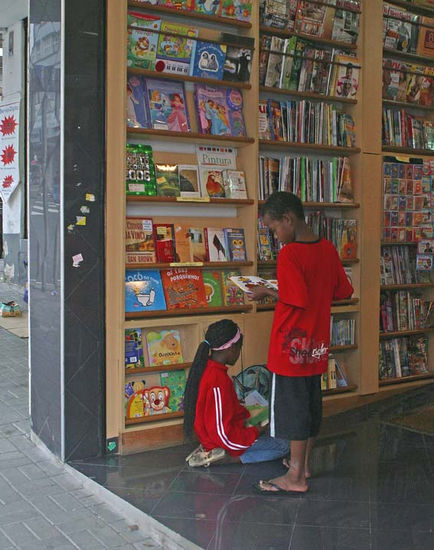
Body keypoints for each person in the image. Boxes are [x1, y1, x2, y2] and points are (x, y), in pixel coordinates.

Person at [248, 192, 353, 494]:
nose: (275, 236)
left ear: (288, 220)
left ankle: (295, 478)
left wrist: (265, 292)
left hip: (289, 348)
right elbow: (343, 290)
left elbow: (296, 298)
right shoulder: (328, 249)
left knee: (291, 412)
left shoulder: (289, 254)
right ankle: (303, 464)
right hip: (316, 345)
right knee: (309, 406)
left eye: (273, 229)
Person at [183, 319, 289, 467]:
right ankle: (227, 457)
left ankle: (213, 451)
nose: (239, 354)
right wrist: (255, 432)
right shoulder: (217, 380)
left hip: (223, 433)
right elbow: (221, 432)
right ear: (231, 348)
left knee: (261, 419)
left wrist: (246, 415)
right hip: (223, 441)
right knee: (283, 445)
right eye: (240, 348)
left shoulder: (208, 368)